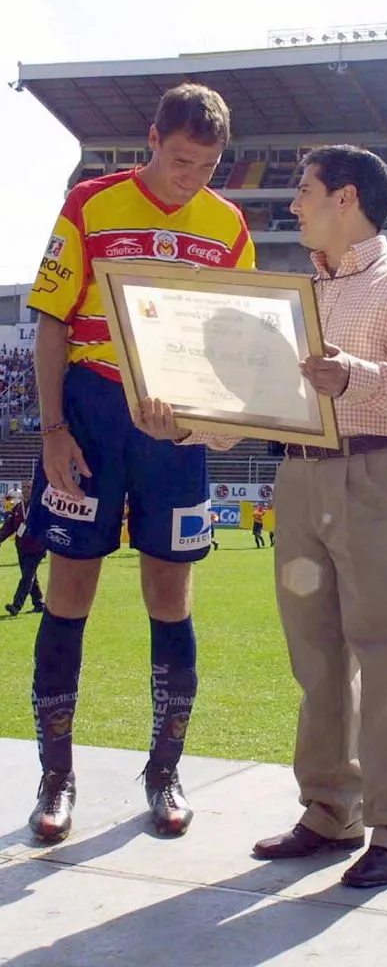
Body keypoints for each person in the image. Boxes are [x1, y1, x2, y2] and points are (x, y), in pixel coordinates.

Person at [24, 82, 255, 844]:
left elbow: (236, 340)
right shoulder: (91, 203)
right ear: (152, 140)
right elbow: (52, 323)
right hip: (91, 409)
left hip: (175, 421)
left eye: (208, 167)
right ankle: (56, 777)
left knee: (171, 592)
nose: (193, 179)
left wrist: (212, 418)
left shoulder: (227, 224)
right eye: (182, 160)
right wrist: (53, 430)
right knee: (71, 589)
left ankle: (164, 771)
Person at [251, 145, 387, 888]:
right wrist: (186, 424)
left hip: (378, 470)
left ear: (346, 198)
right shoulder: (299, 292)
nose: (293, 205)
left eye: (304, 190)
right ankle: (329, 809)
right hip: (300, 476)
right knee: (316, 655)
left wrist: (351, 375)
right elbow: (261, 394)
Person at [0, 480, 46, 617]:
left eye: (29, 487)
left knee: (27, 577)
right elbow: (9, 526)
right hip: (22, 547)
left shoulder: (40, 507)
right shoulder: (18, 508)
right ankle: (39, 603)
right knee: (30, 576)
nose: (26, 490)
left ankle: (16, 605)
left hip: (37, 548)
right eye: (24, 487)